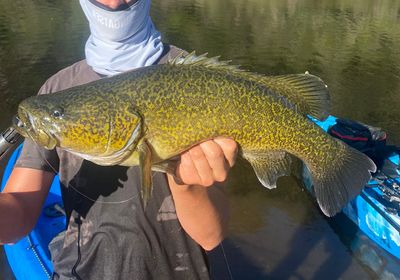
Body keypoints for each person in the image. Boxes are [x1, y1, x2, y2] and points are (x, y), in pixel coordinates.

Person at [0, 0, 238, 279]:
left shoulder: (194, 79)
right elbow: (21, 212)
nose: (114, 2)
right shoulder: (58, 88)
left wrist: (186, 185)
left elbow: (211, 236)